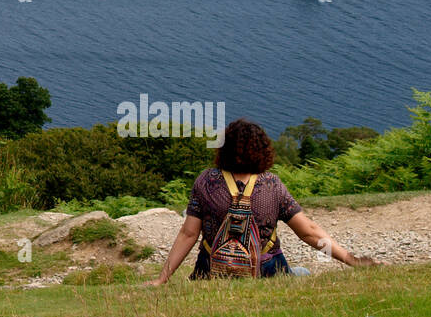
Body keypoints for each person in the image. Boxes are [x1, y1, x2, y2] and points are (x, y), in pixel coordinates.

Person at [148, 117, 377, 286]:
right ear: (262, 150)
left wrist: (162, 279)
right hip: (267, 271)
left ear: (224, 149)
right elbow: (309, 233)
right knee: (303, 273)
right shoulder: (271, 185)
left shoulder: (207, 182)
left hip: (211, 272)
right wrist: (351, 260)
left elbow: (188, 234)